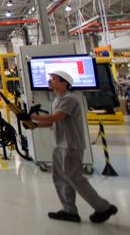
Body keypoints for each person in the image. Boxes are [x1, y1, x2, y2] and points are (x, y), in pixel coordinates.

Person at [24, 70, 118, 223]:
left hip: (71, 144)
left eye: (54, 79)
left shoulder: (69, 99)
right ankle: (69, 210)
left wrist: (32, 116)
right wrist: (34, 125)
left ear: (64, 83)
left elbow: (57, 117)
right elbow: (53, 122)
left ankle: (103, 207)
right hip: (60, 144)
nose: (50, 81)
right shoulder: (57, 100)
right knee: (60, 177)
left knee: (75, 178)